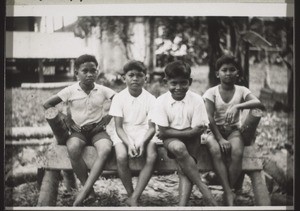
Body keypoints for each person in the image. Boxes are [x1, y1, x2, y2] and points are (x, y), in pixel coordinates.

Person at [43, 54, 116, 206]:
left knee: (106, 149)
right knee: (73, 147)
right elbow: (47, 104)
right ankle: (89, 191)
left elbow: (121, 102)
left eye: (93, 70)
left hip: (97, 130)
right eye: (85, 71)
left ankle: (84, 191)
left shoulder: (102, 90)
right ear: (76, 73)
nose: (90, 74)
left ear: (97, 71)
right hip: (79, 131)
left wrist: (107, 118)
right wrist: (67, 119)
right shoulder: (70, 90)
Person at [152, 60, 217, 206]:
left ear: (190, 81)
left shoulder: (197, 100)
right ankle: (204, 189)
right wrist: (187, 132)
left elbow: (198, 130)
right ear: (165, 82)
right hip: (173, 141)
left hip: (192, 139)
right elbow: (163, 131)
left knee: (184, 170)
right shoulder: (161, 101)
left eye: (183, 83)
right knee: (179, 148)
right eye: (173, 83)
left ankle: (182, 206)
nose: (178, 87)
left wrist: (170, 132)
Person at [202, 54, 264, 206]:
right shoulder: (212, 92)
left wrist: (237, 106)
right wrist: (220, 138)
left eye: (232, 70)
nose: (228, 73)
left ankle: (228, 190)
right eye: (224, 70)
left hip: (233, 131)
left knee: (237, 152)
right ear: (218, 74)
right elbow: (208, 117)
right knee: (217, 150)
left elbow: (258, 103)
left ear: (238, 73)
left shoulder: (242, 90)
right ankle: (228, 188)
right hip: (213, 131)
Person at [109, 60, 157, 206]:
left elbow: (152, 127)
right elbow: (118, 128)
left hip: (145, 131)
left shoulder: (151, 99)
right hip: (124, 131)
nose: (135, 79)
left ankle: (135, 196)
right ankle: (130, 193)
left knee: (152, 155)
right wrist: (129, 144)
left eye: (139, 75)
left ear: (145, 78)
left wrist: (142, 142)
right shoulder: (119, 98)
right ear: (124, 78)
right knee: (122, 156)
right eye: (131, 75)